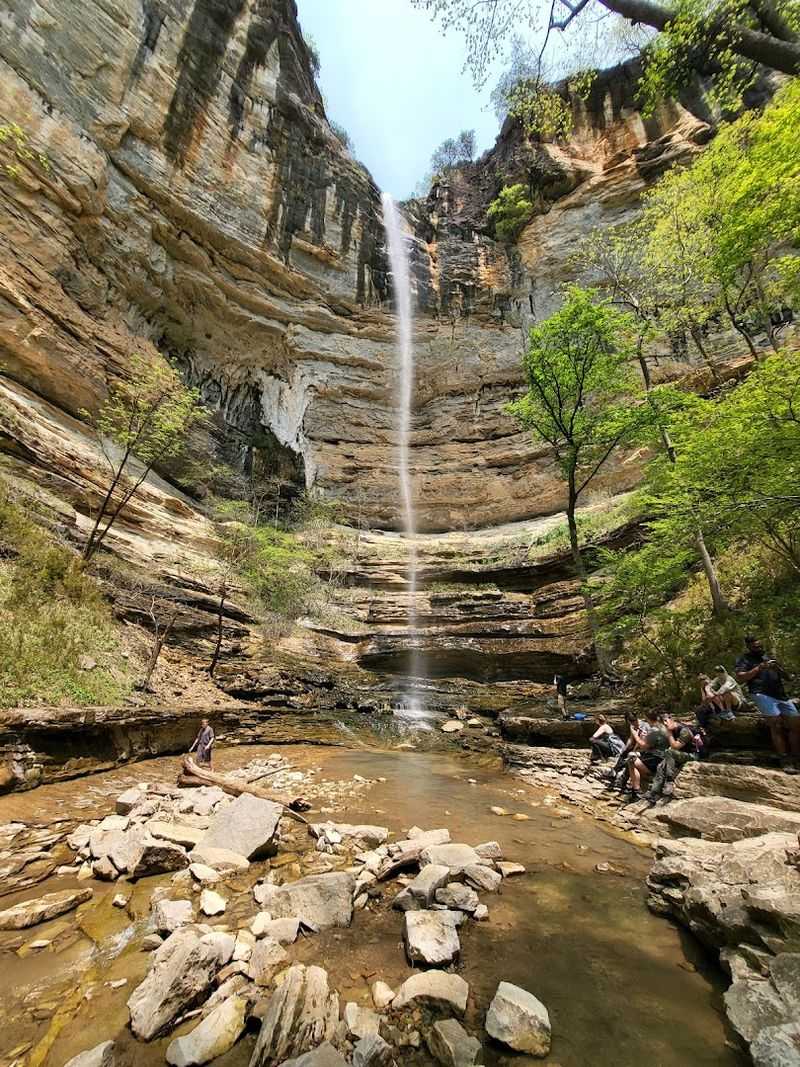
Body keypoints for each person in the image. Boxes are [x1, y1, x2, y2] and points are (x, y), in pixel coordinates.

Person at [735, 636, 800, 773]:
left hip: (780, 695)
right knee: (775, 724)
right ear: (749, 647)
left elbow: (788, 677)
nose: (759, 649)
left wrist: (778, 668)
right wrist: (759, 668)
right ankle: (785, 759)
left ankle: (796, 756)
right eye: (755, 647)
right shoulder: (744, 659)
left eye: (760, 646)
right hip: (760, 693)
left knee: (795, 724)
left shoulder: (768, 656)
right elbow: (740, 678)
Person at [644, 713, 702, 802]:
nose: (665, 725)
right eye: (663, 724)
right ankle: (654, 792)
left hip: (693, 755)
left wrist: (669, 733)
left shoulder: (684, 730)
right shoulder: (672, 730)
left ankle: (669, 781)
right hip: (680, 754)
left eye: (666, 722)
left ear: (671, 719)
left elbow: (675, 746)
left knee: (669, 752)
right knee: (661, 765)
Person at [626, 712, 669, 802]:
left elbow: (643, 745)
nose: (646, 721)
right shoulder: (663, 727)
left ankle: (637, 789)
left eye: (646, 719)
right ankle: (635, 788)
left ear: (649, 719)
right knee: (634, 756)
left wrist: (634, 734)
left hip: (656, 757)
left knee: (631, 760)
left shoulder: (654, 730)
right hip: (661, 755)